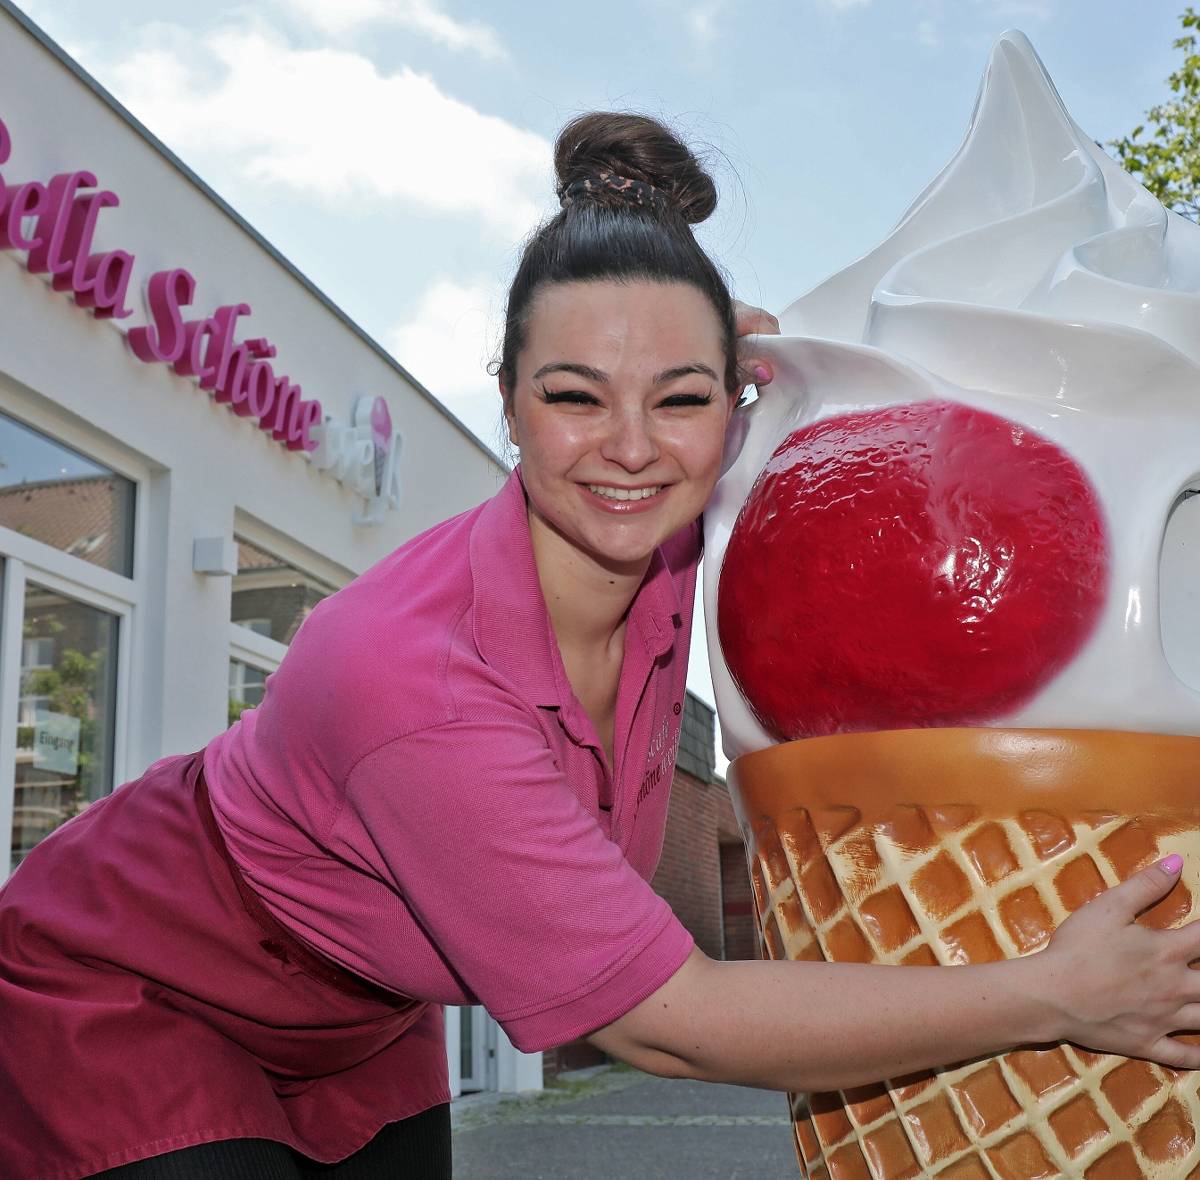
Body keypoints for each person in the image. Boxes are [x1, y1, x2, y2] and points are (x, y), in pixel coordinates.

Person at [2, 111, 1199, 1180]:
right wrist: (1050, 993)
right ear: (507, 402)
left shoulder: (676, 526)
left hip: (364, 1018)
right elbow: (665, 1020)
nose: (630, 448)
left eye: (679, 400)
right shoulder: (406, 676)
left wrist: (685, 352)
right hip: (136, 979)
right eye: (573, 397)